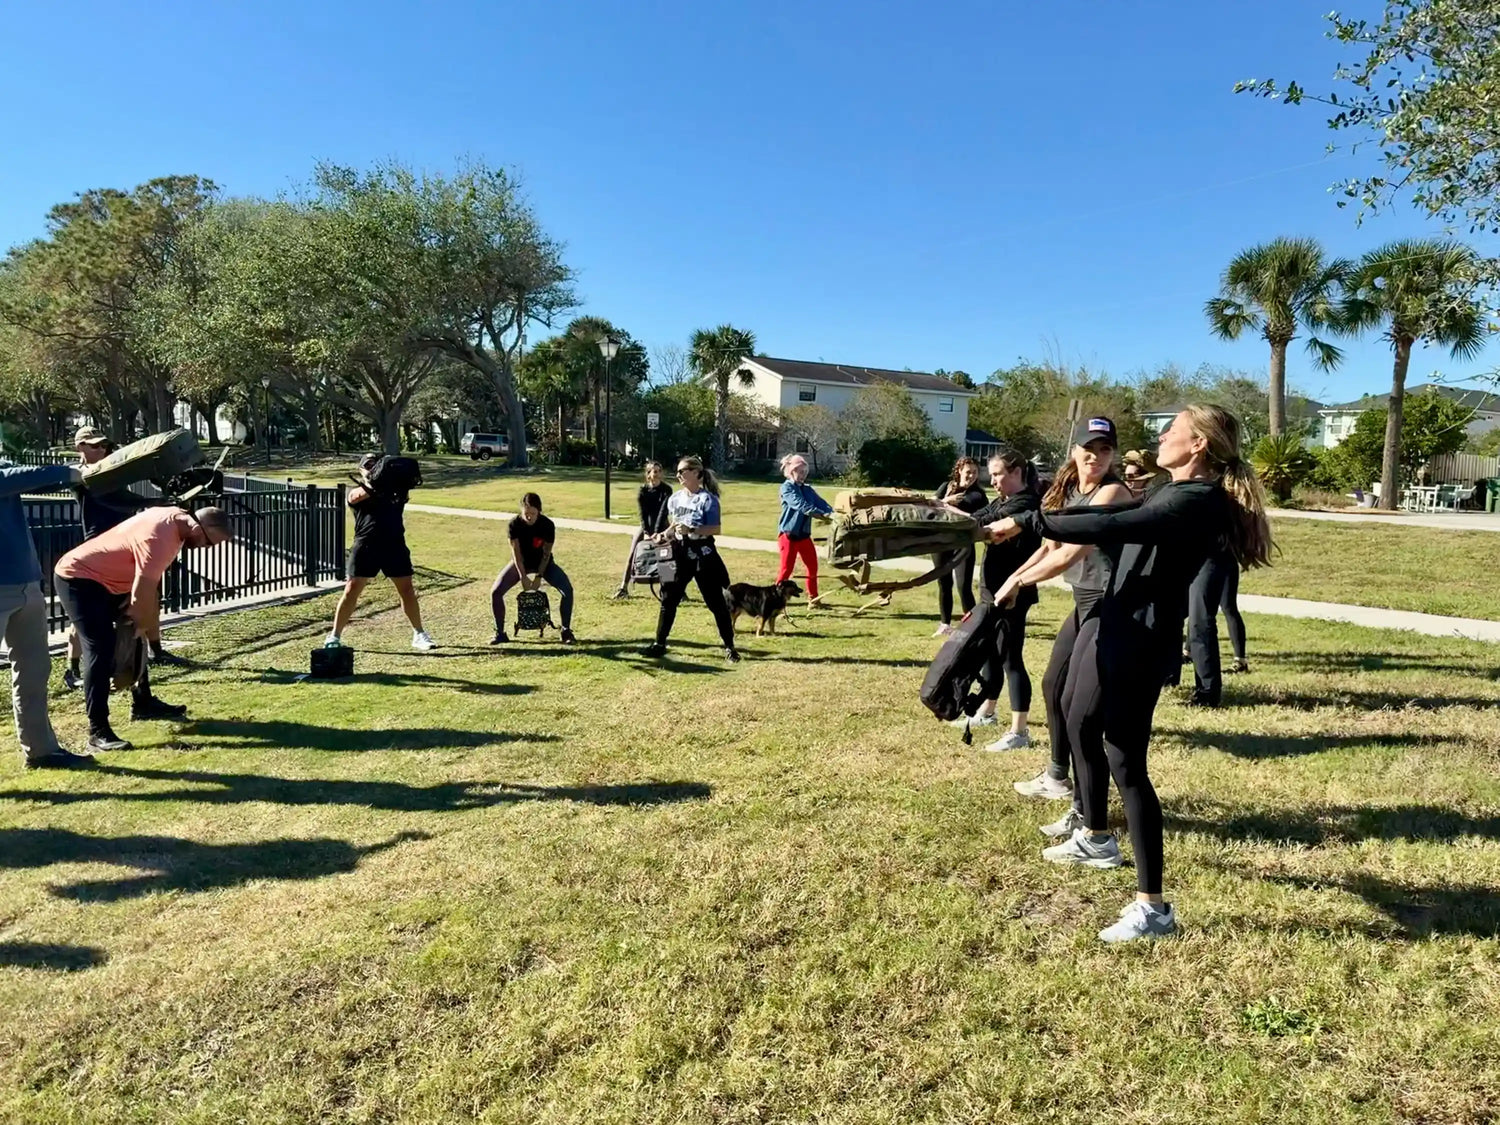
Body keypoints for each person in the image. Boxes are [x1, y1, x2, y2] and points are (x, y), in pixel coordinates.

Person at [987, 404, 1272, 942]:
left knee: (1126, 760)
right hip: (1119, 624)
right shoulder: (1171, 489)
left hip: (1142, 638)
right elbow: (1108, 524)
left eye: (1174, 431)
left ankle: (1153, 907)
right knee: (1076, 717)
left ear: (1198, 446)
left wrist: (1025, 519)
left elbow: (1112, 521)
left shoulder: (1197, 499)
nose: (1162, 436)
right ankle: (1096, 834)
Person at [1003, 420, 1132, 808]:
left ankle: (1084, 797)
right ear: (1074, 451)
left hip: (1109, 603)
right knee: (1053, 684)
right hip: (1083, 601)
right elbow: (1048, 547)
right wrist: (1014, 575)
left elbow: (1072, 552)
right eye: (1088, 448)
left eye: (1105, 449)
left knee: (1080, 702)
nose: (1095, 456)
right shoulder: (1068, 491)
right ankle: (1058, 775)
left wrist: (1020, 585)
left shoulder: (1112, 492)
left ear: (1112, 455)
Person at [55, 505, 235, 753]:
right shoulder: (161, 538)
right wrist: (140, 626)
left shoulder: (176, 518)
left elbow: (149, 589)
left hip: (111, 580)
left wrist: (143, 630)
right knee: (101, 645)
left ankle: (144, 703)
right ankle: (98, 732)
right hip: (79, 578)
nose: (207, 548)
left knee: (135, 635)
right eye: (208, 543)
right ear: (197, 528)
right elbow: (142, 596)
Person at [1, 457, 92, 768]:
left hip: (27, 585)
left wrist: (77, 476)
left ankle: (42, 751)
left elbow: (34, 477)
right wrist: (69, 472)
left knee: (34, 673)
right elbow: (17, 476)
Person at [953, 450, 1043, 751]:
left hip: (1013, 592)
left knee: (1010, 657)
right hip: (993, 589)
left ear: (1016, 472)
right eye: (990, 475)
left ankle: (1019, 732)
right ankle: (988, 711)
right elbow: (980, 516)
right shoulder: (1003, 500)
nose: (992, 481)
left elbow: (985, 522)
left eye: (998, 474)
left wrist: (955, 516)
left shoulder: (1025, 502)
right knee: (991, 651)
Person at [64, 426, 160, 690]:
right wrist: (153, 502)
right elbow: (118, 501)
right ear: (80, 447)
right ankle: (72, 669)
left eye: (104, 445)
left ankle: (141, 687)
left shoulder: (114, 473)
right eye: (94, 445)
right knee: (85, 617)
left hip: (122, 546)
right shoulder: (82, 476)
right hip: (96, 551)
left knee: (131, 611)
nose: (102, 450)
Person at [327, 456, 434, 651]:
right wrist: (375, 481)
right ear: (360, 471)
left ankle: (419, 634)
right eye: (367, 466)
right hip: (366, 545)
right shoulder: (357, 492)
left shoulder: (395, 489)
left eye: (375, 464)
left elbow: (404, 489)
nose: (371, 468)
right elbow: (355, 497)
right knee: (351, 590)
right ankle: (334, 636)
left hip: (394, 544)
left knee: (407, 591)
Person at [646, 456, 739, 663]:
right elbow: (674, 525)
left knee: (715, 602)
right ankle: (659, 643)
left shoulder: (708, 499)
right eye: (677, 472)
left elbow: (716, 529)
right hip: (678, 553)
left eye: (683, 471)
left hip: (703, 554)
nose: (678, 475)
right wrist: (664, 535)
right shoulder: (675, 499)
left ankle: (729, 647)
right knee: (668, 598)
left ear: (696, 473)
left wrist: (693, 529)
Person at [491, 492, 575, 644]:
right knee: (496, 592)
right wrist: (523, 576)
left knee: (567, 590)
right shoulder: (514, 524)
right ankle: (500, 633)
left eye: (533, 513)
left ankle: (566, 631)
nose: (529, 517)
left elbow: (546, 553)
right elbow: (516, 553)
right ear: (521, 511)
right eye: (526, 513)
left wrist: (539, 577)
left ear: (539, 511)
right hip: (521, 563)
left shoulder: (547, 525)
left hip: (543, 563)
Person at [1185, 546, 1250, 705]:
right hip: (1205, 555)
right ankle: (1175, 673)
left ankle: (1208, 693)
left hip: (1209, 554)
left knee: (1202, 621)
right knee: (1196, 616)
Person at [932, 456, 988, 636]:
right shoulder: (946, 487)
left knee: (964, 586)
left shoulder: (978, 495)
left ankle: (971, 627)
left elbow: (982, 517)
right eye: (968, 472)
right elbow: (929, 504)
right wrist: (947, 501)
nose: (971, 476)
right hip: (941, 542)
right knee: (944, 583)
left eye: (974, 472)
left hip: (963, 544)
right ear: (959, 471)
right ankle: (945, 624)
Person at [775, 453, 835, 606]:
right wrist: (821, 514)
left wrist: (833, 513)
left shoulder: (808, 489)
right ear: (791, 471)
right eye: (800, 472)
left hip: (803, 536)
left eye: (805, 473)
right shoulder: (786, 488)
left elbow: (821, 503)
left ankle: (813, 599)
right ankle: (775, 600)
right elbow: (800, 505)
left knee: (812, 567)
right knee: (786, 570)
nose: (802, 476)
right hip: (788, 535)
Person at [613, 462, 673, 599]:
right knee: (633, 553)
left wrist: (658, 532)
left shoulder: (666, 490)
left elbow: (663, 512)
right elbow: (643, 513)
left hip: (663, 526)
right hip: (646, 525)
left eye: (659, 471)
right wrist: (646, 532)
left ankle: (670, 589)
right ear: (648, 475)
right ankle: (623, 587)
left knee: (666, 556)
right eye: (654, 471)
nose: (657, 474)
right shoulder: (643, 490)